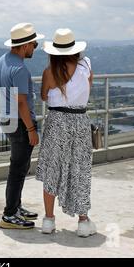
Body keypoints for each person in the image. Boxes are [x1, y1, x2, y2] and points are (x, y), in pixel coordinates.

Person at [36, 28, 97, 237]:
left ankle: (48, 220)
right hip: (80, 121)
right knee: (80, 169)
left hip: (56, 122)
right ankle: (83, 221)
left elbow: (44, 96)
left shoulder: (49, 72)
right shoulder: (86, 65)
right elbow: (87, 89)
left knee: (52, 169)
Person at [0, 23, 45, 229]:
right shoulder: (20, 69)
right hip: (21, 123)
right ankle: (9, 215)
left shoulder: (1, 61)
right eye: (34, 44)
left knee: (18, 167)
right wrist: (31, 129)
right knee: (18, 169)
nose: (35, 47)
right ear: (24, 46)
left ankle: (16, 206)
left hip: (7, 120)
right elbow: (22, 102)